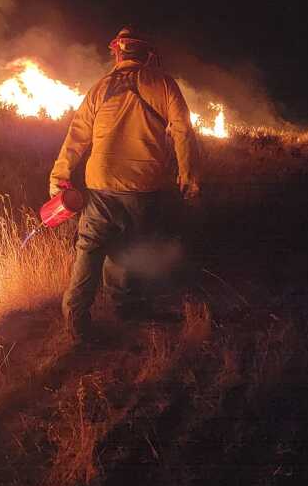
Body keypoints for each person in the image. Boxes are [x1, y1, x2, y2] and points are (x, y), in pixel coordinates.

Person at [49, 27, 201, 343]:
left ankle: (76, 320)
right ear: (146, 55)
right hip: (143, 186)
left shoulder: (100, 88)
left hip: (100, 183)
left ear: (117, 53)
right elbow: (184, 133)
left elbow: (76, 137)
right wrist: (188, 179)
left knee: (90, 250)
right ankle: (126, 307)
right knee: (128, 248)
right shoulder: (164, 84)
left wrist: (59, 176)